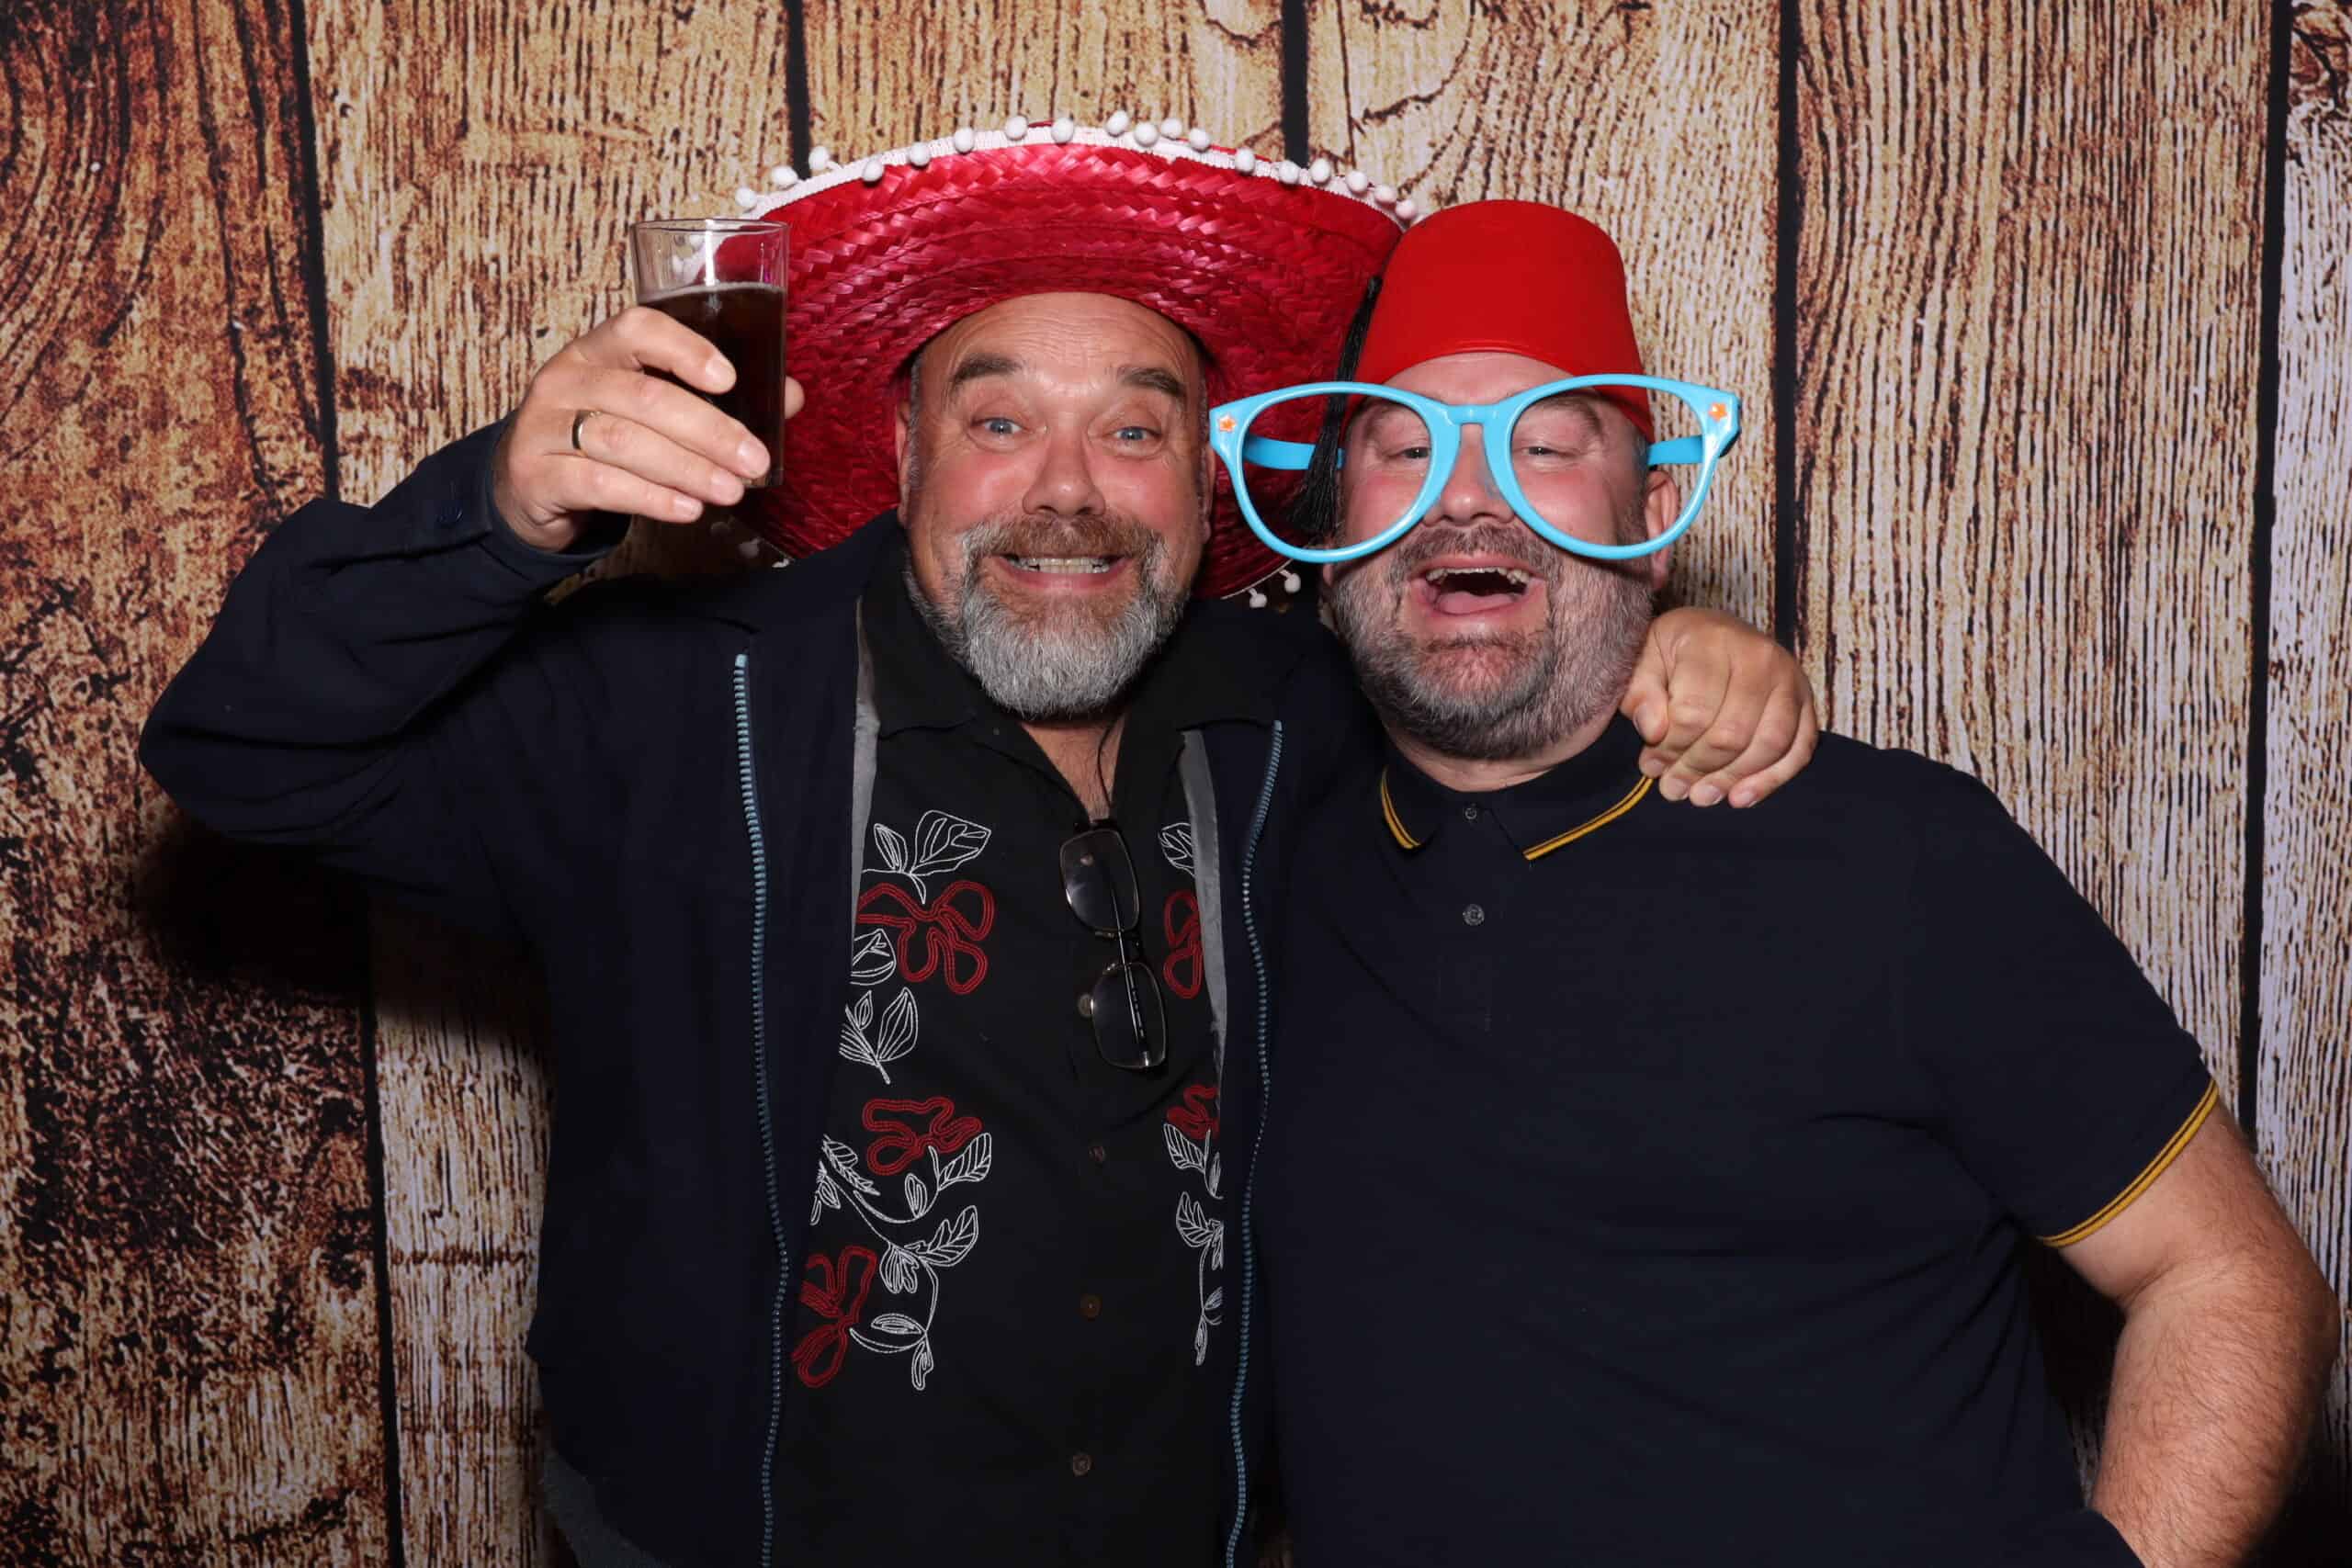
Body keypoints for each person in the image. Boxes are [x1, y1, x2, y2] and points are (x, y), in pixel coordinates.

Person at [139, 130, 1813, 1568]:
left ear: (1209, 485)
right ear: (905, 452)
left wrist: (1688, 650)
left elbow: (1506, 676)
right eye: (1001, 424)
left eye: (1138, 430)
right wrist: (495, 514)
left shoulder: (1295, 713)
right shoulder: (678, 712)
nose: (1068, 494)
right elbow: (245, 747)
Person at [1250, 199, 2340, 1568]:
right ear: (1335, 527)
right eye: (1404, 449)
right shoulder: (1256, 846)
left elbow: (2233, 1280)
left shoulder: (1896, 857)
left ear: (1656, 521)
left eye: (1544, 449)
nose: (1469, 497)